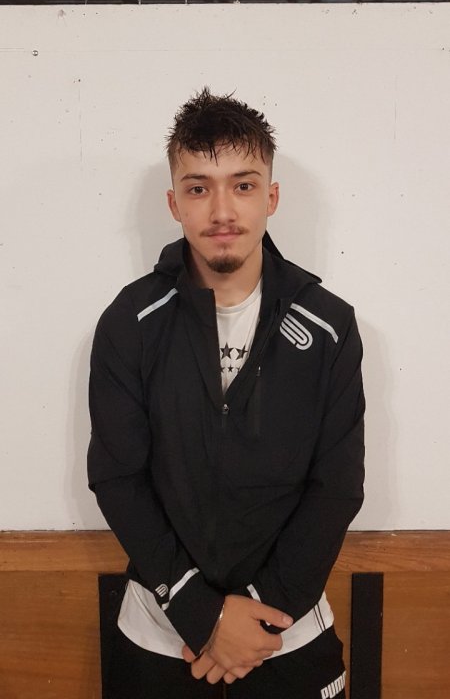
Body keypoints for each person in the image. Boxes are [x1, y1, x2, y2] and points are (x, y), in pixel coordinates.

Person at [87, 87, 365, 699]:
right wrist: (202, 613)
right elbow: (118, 477)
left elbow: (337, 487)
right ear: (174, 203)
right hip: (161, 635)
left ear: (271, 197)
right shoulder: (130, 322)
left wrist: (256, 622)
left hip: (288, 632)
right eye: (198, 187)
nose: (222, 210)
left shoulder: (329, 326)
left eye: (242, 185)